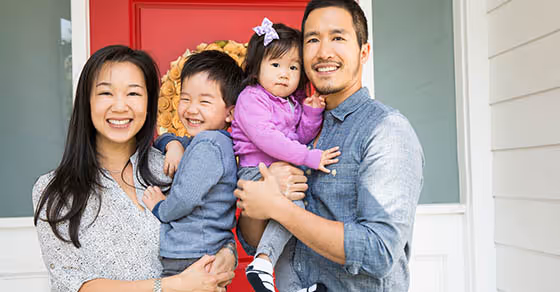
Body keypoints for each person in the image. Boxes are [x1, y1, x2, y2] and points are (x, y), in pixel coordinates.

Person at [235, 0, 425, 291]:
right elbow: (252, 239)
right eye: (313, 39)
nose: (324, 52)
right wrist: (259, 201)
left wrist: (281, 208)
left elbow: (379, 252)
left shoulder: (386, 130)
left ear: (364, 52)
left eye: (337, 37)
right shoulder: (294, 123)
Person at [32, 45, 236, 292]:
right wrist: (174, 285)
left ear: (149, 103)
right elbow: (74, 283)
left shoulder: (172, 168)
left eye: (133, 94)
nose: (120, 106)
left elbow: (210, 224)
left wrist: (227, 255)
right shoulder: (54, 191)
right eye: (106, 93)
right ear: (86, 101)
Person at [229, 18, 341, 292]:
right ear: (256, 68)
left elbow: (298, 137)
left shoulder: (290, 103)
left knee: (291, 234)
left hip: (282, 170)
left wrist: (312, 114)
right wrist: (310, 157)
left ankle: (290, 286)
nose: (284, 74)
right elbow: (269, 140)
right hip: (257, 171)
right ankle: (262, 260)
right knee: (293, 214)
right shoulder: (251, 98)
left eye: (293, 67)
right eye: (276, 65)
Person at [140, 50, 243, 279]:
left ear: (230, 112)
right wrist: (174, 144)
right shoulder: (209, 141)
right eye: (185, 98)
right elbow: (160, 140)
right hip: (200, 251)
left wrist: (160, 208)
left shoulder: (209, 144)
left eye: (204, 101)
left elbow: (187, 197)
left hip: (191, 255)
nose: (191, 109)